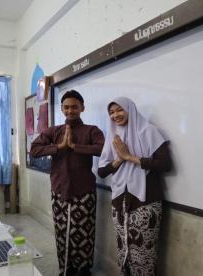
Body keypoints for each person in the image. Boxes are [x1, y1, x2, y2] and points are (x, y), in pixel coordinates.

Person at [30, 90, 105, 276]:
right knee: (62, 233)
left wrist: (74, 147)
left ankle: (83, 270)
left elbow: (103, 149)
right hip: (59, 189)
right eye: (66, 107)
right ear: (62, 109)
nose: (70, 111)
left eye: (74, 107)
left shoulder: (91, 130)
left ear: (82, 108)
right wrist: (59, 147)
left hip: (84, 191)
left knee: (84, 235)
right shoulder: (53, 131)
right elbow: (34, 150)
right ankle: (65, 269)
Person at [98, 97, 172, 276]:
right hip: (119, 201)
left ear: (130, 109)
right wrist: (118, 160)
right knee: (124, 250)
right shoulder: (112, 135)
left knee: (144, 253)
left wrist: (130, 157)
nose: (116, 115)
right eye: (111, 112)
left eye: (119, 110)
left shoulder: (148, 131)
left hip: (145, 201)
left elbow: (165, 164)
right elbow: (101, 171)